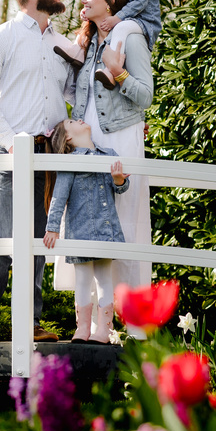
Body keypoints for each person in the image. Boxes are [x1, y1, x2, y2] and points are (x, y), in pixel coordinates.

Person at [0, 0, 71, 344]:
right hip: (11, 151)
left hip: (50, 155)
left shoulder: (62, 44)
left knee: (40, 239)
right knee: (3, 236)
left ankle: (30, 320)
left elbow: (74, 94)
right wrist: (10, 141)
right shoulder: (1, 38)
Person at [70, 0, 154, 303]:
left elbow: (145, 96)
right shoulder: (88, 43)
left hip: (122, 140)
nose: (84, 0)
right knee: (89, 222)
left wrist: (119, 74)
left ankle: (132, 320)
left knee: (125, 225)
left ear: (112, 3)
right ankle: (96, 319)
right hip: (89, 145)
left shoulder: (130, 37)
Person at [42, 119, 129, 343]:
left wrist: (119, 180)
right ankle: (82, 329)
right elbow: (59, 197)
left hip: (105, 228)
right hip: (79, 231)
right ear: (68, 137)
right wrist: (52, 227)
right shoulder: (70, 162)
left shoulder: (109, 154)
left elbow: (120, 187)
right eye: (72, 121)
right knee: (82, 279)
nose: (79, 119)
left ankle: (104, 330)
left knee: (104, 279)